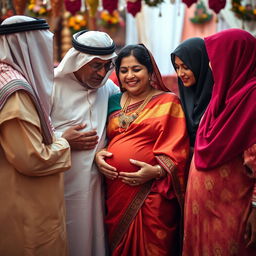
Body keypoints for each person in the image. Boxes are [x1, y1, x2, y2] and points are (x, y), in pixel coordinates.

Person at [95, 44, 190, 255]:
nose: (130, 76)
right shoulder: (112, 101)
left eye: (136, 69)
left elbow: (179, 150)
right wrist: (99, 154)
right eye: (124, 70)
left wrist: (155, 171)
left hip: (153, 194)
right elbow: (106, 139)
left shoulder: (168, 102)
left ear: (150, 71)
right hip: (116, 192)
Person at [0, 16, 71, 255]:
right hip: (24, 202)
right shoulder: (14, 92)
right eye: (42, 48)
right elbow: (31, 158)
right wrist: (64, 142)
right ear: (29, 47)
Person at [183, 29, 256, 256]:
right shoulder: (222, 95)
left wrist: (255, 208)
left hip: (233, 210)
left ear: (235, 58)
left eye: (216, 58)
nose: (211, 66)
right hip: (201, 212)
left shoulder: (251, 99)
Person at [50, 30, 120, 256]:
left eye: (107, 66)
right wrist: (63, 140)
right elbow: (28, 138)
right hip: (59, 187)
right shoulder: (51, 87)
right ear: (79, 61)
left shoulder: (109, 89)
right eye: (96, 65)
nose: (102, 73)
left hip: (96, 187)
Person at [171, 37, 214, 148]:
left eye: (185, 67)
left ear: (201, 64)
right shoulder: (183, 98)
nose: (180, 73)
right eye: (177, 67)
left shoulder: (218, 99)